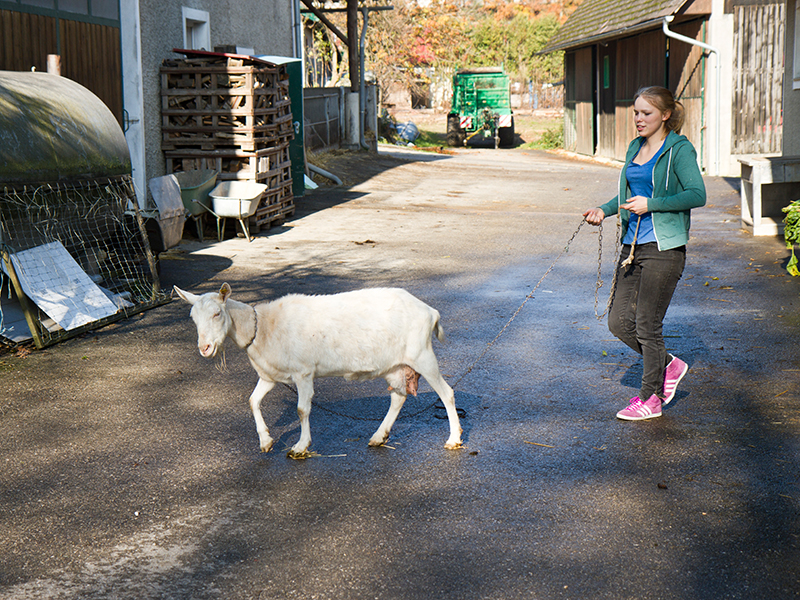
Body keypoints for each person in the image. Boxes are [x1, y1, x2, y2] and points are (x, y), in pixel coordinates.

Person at [583, 86, 706, 421]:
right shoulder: (635, 147)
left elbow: (697, 194)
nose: (638, 119)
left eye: (646, 113)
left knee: (647, 325)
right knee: (619, 321)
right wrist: (604, 209)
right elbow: (630, 193)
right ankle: (669, 364)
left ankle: (650, 399)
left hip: (665, 249)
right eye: (636, 112)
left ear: (665, 115)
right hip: (633, 246)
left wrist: (653, 205)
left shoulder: (679, 150)